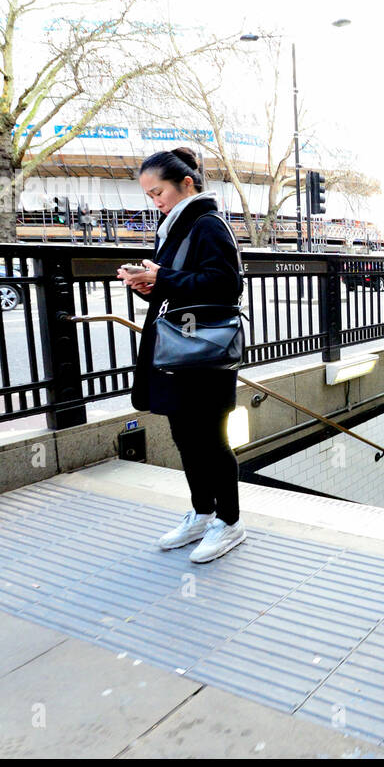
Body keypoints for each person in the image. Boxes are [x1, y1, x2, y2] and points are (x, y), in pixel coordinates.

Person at [117, 147, 246, 563]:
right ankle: (202, 512)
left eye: (159, 193)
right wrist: (149, 281)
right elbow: (182, 283)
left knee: (211, 438)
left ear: (186, 184)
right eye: (150, 195)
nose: (156, 202)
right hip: (180, 350)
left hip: (203, 353)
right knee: (186, 437)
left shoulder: (208, 224)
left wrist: (163, 277)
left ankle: (229, 522)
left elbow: (227, 284)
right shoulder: (176, 226)